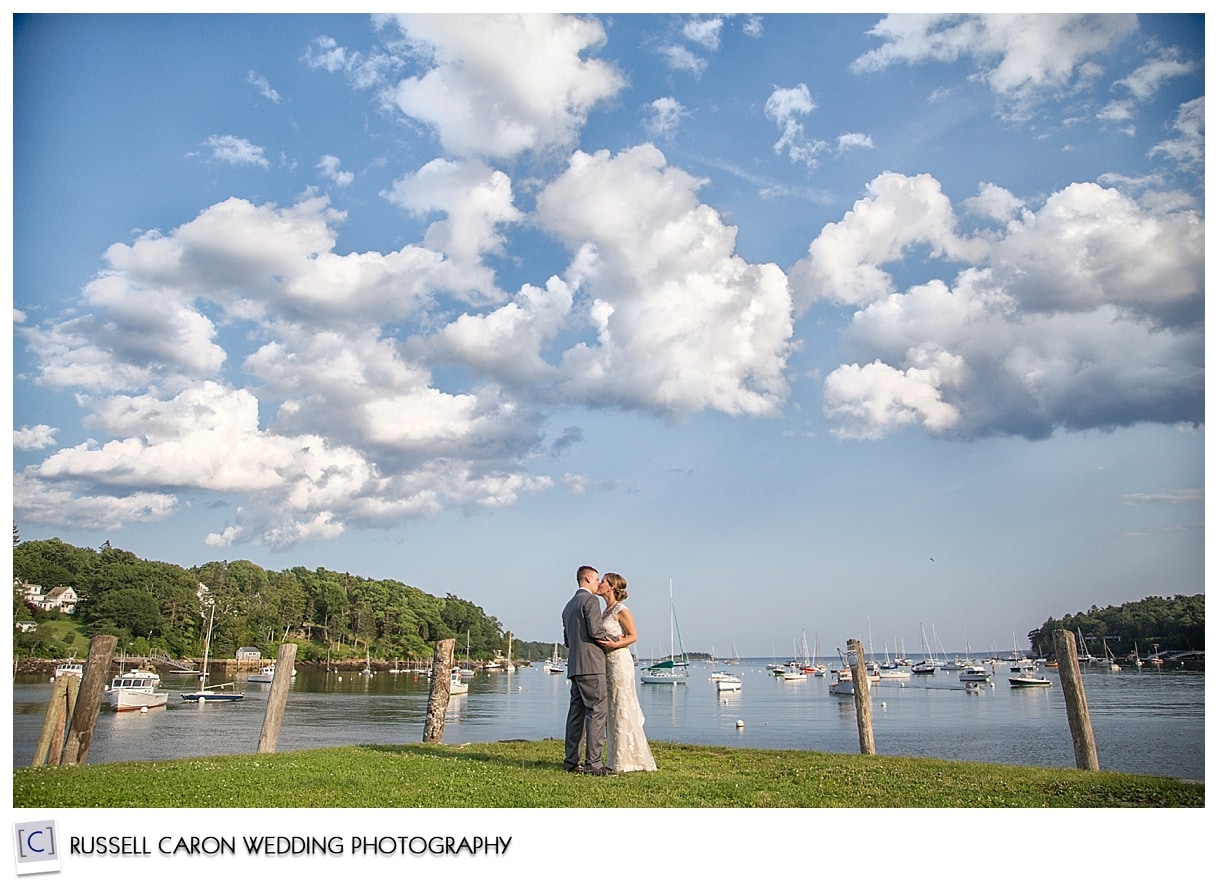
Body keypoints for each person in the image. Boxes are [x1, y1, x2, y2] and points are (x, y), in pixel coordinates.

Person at [598, 572, 657, 773]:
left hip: (619, 662)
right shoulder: (605, 610)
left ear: (612, 587)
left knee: (622, 704)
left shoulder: (621, 610)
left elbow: (633, 636)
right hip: (607, 662)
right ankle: (615, 757)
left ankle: (626, 760)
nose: (599, 584)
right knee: (612, 707)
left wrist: (614, 643)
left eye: (603, 581)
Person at [561, 565, 611, 775]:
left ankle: (571, 761)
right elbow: (596, 631)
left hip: (574, 665)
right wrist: (615, 641)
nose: (599, 583)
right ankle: (594, 764)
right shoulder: (591, 601)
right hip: (591, 664)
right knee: (597, 712)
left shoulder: (568, 606)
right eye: (597, 579)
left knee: (576, 715)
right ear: (588, 578)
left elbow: (567, 641)